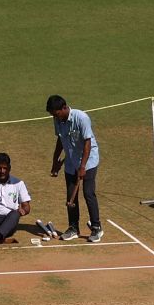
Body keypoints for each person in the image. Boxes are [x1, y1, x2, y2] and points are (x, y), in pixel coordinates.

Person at [47, 94, 103, 243]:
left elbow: (87, 143)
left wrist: (83, 166)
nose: (55, 117)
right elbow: (60, 139)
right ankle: (73, 228)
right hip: (71, 162)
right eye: (53, 115)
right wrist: (55, 161)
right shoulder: (57, 119)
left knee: (88, 193)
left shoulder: (81, 118)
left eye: (56, 113)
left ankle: (97, 227)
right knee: (71, 196)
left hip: (88, 160)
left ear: (64, 108)